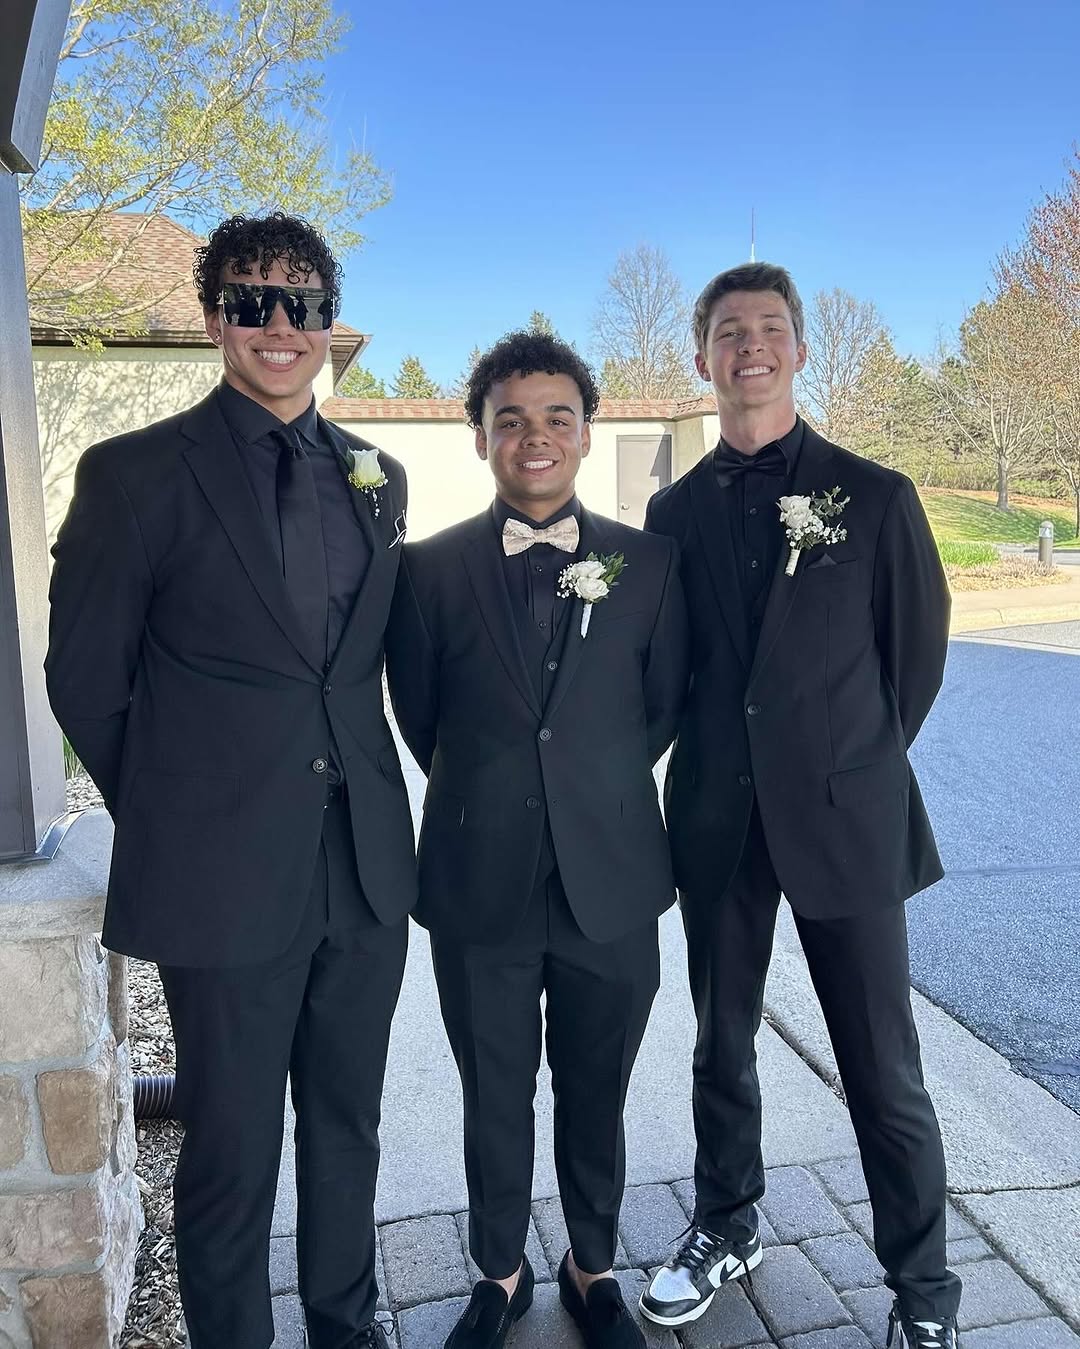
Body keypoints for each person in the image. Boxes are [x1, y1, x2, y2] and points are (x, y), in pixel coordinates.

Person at [46, 212, 416, 1349]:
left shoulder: (380, 478)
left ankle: (345, 1327)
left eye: (303, 303)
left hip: (363, 871)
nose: (279, 324)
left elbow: (356, 670)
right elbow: (84, 681)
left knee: (348, 1131)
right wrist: (184, 814)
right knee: (231, 1152)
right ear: (216, 318)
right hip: (222, 880)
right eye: (253, 301)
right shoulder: (135, 474)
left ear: (328, 323)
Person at [639, 263, 961, 1349]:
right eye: (729, 331)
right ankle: (726, 1222)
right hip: (717, 820)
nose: (751, 346)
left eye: (770, 327)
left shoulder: (876, 495)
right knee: (719, 1044)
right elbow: (671, 670)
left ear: (801, 349)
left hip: (843, 819)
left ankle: (924, 1291)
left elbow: (911, 662)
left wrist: (840, 763)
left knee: (883, 1065)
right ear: (701, 357)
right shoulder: (671, 512)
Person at [386, 331, 689, 1349]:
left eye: (558, 416)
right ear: (480, 438)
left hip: (612, 877)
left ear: (587, 433)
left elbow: (659, 709)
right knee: (494, 1092)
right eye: (509, 419)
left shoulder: (650, 565)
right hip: (481, 880)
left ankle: (591, 1265)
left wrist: (583, 783)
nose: (535, 437)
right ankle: (500, 1272)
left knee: (598, 1090)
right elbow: (423, 719)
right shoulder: (425, 571)